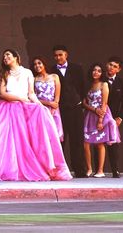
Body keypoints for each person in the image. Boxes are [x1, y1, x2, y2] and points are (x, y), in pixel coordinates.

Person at [0, 49, 72, 181]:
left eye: (8, 55)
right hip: (7, 108)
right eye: (3, 56)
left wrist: (40, 106)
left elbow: (31, 93)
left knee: (25, 139)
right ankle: (6, 169)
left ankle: (34, 166)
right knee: (3, 139)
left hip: (24, 108)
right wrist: (20, 98)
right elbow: (2, 93)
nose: (5, 57)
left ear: (16, 57)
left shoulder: (27, 72)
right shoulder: (5, 74)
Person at [51, 45, 86, 178]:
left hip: (75, 109)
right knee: (59, 140)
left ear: (66, 55)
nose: (58, 57)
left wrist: (78, 100)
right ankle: (59, 170)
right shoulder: (52, 70)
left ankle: (80, 170)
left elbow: (83, 86)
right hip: (59, 110)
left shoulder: (77, 68)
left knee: (77, 140)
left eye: (60, 55)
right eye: (56, 55)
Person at [82, 63, 120, 178]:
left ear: (102, 73)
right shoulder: (87, 85)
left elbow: (104, 103)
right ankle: (89, 169)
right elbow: (84, 103)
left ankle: (100, 170)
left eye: (98, 71)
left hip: (102, 115)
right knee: (86, 143)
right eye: (94, 70)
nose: (96, 72)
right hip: (90, 115)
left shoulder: (104, 84)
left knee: (100, 143)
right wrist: (93, 109)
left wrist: (100, 120)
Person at [105, 56, 123, 178]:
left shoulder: (122, 82)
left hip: (114, 117)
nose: (111, 67)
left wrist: (119, 117)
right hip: (99, 115)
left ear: (118, 69)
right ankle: (98, 170)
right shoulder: (100, 79)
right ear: (106, 65)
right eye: (110, 64)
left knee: (113, 143)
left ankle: (115, 170)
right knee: (98, 142)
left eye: (115, 66)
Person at [31, 56, 63, 141]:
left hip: (54, 109)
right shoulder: (34, 79)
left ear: (44, 64)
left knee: (54, 136)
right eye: (35, 64)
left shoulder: (54, 77)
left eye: (39, 63)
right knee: (43, 136)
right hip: (40, 109)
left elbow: (57, 96)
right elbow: (33, 97)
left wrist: (54, 106)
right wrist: (48, 103)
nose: (37, 66)